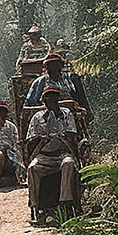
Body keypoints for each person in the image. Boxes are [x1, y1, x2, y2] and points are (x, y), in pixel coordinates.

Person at [25, 86, 80, 216]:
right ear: (44, 101)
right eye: (48, 99)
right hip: (44, 156)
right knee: (32, 168)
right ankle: (35, 205)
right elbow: (31, 138)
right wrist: (41, 138)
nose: (52, 102)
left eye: (55, 99)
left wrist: (62, 134)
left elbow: (72, 134)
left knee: (68, 164)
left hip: (62, 154)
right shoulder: (37, 117)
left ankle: (65, 201)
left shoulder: (66, 113)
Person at [25, 51, 93, 121]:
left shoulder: (71, 79)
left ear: (61, 65)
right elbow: (31, 103)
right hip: (47, 116)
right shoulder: (40, 81)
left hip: (70, 116)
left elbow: (81, 100)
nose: (51, 68)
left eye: (54, 64)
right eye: (49, 65)